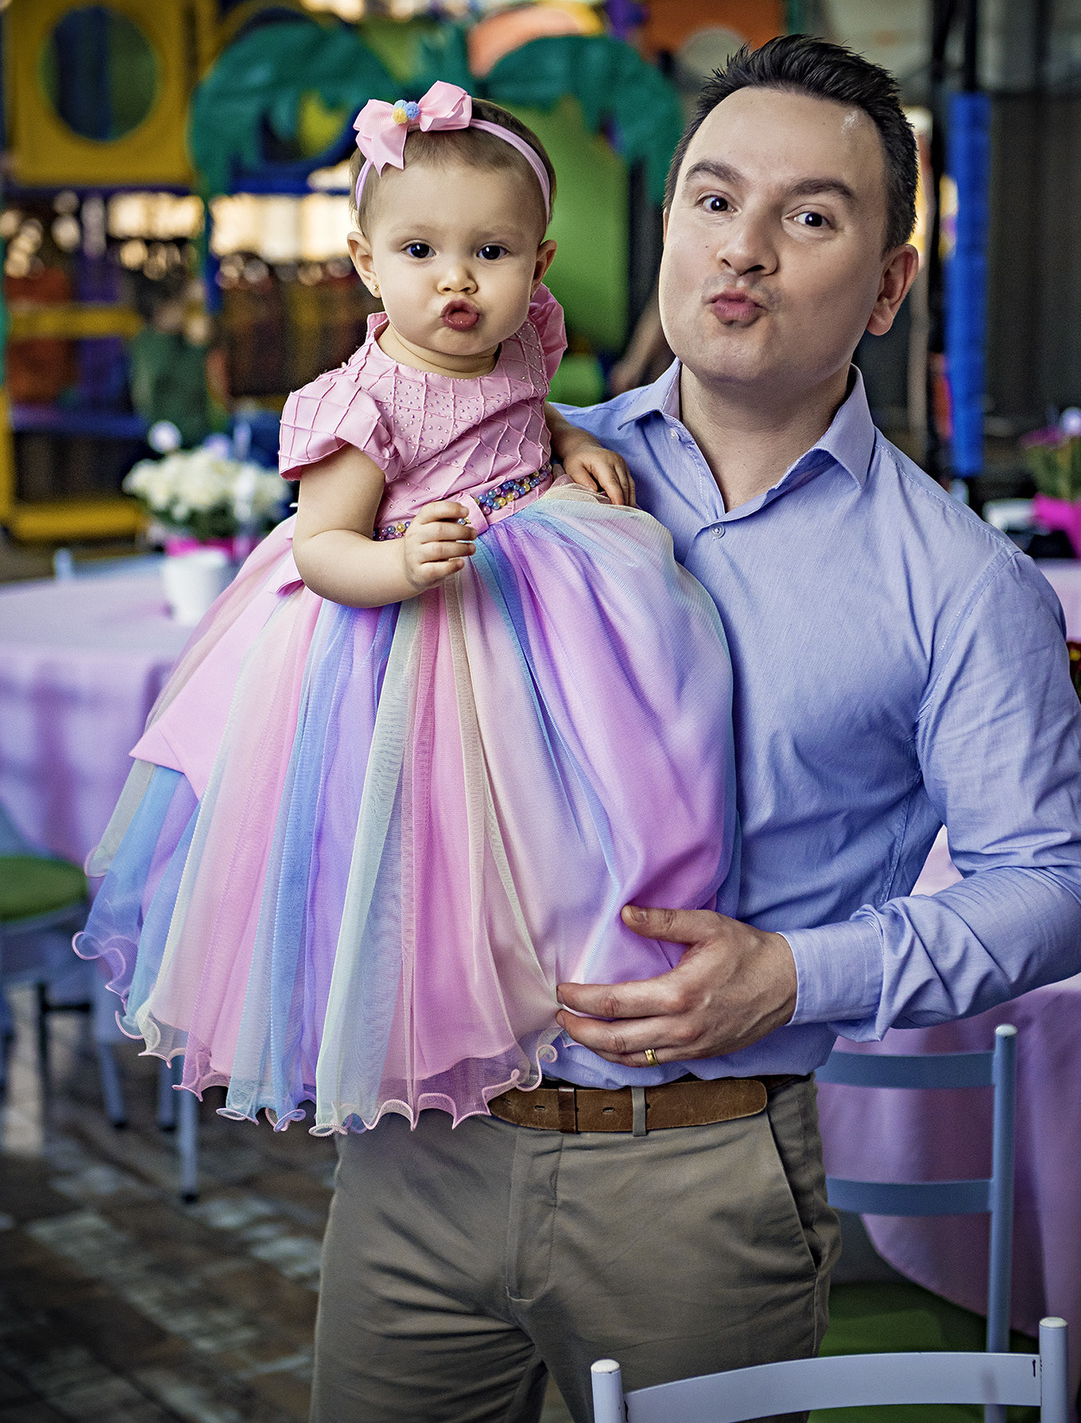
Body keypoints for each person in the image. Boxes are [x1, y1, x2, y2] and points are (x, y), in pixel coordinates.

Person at [303, 38, 1081, 1423]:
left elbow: (1055, 888)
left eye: (810, 216)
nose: (743, 247)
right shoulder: (502, 463)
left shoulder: (958, 581)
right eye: (713, 200)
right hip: (426, 1140)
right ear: (667, 225)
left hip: (697, 1172)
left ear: (890, 284)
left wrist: (795, 975)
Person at [75, 82, 737, 1135]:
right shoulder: (363, 401)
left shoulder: (524, 341)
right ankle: (453, 1002)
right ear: (366, 262)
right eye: (420, 251)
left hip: (547, 581)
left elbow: (523, 409)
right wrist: (399, 566)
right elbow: (321, 548)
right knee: (441, 831)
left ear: (539, 266)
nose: (456, 280)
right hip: (415, 627)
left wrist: (568, 439)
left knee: (595, 770)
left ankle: (604, 938)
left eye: (491, 252)